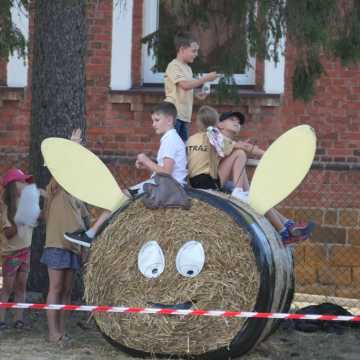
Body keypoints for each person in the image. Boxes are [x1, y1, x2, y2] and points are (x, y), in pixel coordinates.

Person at [64, 101, 187, 248]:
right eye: (152, 120)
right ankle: (92, 234)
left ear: (169, 120)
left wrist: (146, 160)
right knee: (121, 197)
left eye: (157, 120)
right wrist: (147, 165)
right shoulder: (171, 138)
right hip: (165, 185)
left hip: (166, 187)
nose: (153, 124)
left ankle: (90, 235)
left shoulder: (171, 140)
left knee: (119, 197)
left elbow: (166, 173)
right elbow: (166, 171)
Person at [216, 111, 315, 245]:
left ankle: (287, 226)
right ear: (220, 124)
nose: (236, 123)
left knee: (257, 198)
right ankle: (285, 231)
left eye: (239, 122)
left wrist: (268, 155)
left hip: (225, 184)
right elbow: (246, 147)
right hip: (214, 184)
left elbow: (249, 147)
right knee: (240, 154)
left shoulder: (231, 143)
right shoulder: (215, 136)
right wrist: (271, 155)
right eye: (232, 119)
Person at [40, 129, 91, 343]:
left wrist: (85, 248)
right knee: (56, 287)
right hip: (55, 245)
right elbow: (63, 170)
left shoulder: (80, 195)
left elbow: (86, 222)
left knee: (67, 291)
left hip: (73, 248)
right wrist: (74, 146)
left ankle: (62, 331)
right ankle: (53, 333)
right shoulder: (56, 188)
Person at [0, 168, 41, 330]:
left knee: (21, 286)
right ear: (12, 186)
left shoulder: (27, 204)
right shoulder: (5, 208)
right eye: (21, 181)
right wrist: (21, 220)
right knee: (7, 288)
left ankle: (19, 319)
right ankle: (1, 319)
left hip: (26, 251)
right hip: (11, 253)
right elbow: (8, 234)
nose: (25, 184)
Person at [164, 32, 219, 142]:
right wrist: (205, 78)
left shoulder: (188, 68)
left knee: (182, 147)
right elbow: (184, 85)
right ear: (182, 49)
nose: (196, 54)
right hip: (174, 114)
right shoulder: (174, 66)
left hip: (184, 116)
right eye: (193, 51)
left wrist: (196, 94)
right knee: (173, 147)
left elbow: (185, 88)